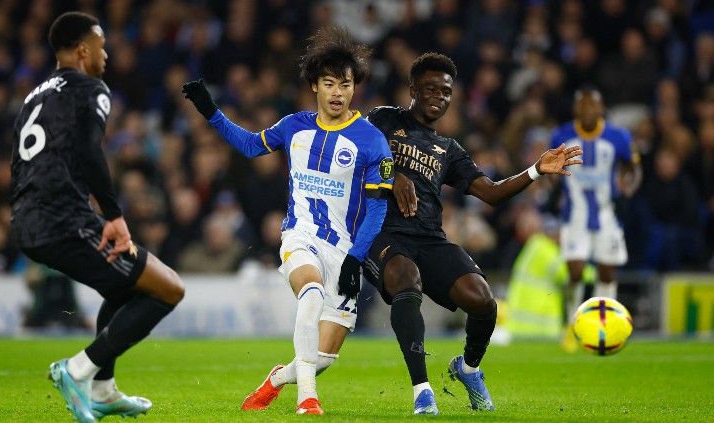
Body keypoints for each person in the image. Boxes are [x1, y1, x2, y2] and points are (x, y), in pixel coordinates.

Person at [182, 25, 393, 415]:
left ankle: (278, 378)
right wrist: (210, 111)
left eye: (344, 85)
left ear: (354, 88)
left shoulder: (371, 141)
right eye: (329, 83)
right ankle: (307, 400)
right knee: (310, 294)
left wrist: (355, 258)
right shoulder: (293, 126)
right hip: (300, 236)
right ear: (314, 85)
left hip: (344, 249)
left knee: (323, 357)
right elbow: (249, 145)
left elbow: (378, 207)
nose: (337, 93)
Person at [362, 52, 582, 415]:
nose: (439, 97)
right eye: (431, 89)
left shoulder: (449, 149)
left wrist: (535, 170)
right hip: (382, 231)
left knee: (482, 299)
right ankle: (423, 392)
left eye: (446, 92)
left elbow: (492, 193)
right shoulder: (382, 119)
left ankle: (468, 369)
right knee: (406, 279)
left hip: (429, 238)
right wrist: (393, 175)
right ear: (413, 89)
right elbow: (355, 154)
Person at [10, 12, 185, 423]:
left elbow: (20, 162)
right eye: (102, 46)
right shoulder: (91, 88)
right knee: (169, 289)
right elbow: (91, 151)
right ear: (83, 50)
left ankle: (104, 391)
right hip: (62, 219)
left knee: (126, 290)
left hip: (28, 219)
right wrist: (113, 215)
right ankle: (78, 370)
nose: (106, 54)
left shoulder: (33, 95)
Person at [550, 87, 641, 350]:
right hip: (574, 215)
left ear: (601, 109)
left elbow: (633, 167)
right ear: (576, 109)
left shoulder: (618, 137)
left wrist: (629, 187)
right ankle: (570, 324)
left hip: (607, 214)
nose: (588, 110)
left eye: (593, 106)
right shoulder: (561, 135)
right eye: (583, 105)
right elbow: (551, 167)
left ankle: (607, 326)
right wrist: (553, 184)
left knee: (607, 271)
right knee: (576, 270)